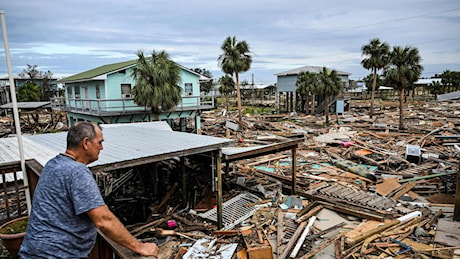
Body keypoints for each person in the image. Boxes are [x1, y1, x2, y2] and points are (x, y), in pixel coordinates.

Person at [19, 121, 159, 258]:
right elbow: (103, 220)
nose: (102, 148)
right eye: (99, 142)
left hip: (34, 250)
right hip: (56, 255)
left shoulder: (53, 164)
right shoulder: (77, 172)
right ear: (86, 143)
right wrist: (140, 247)